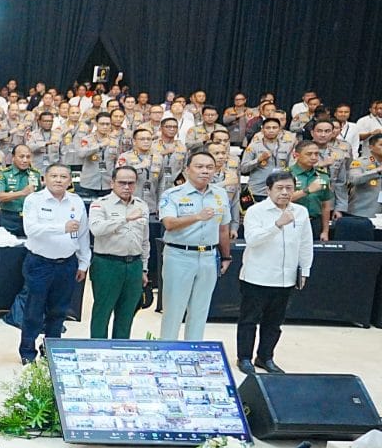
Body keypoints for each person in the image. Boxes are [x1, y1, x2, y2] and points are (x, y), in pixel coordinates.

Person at [236, 171, 313, 375]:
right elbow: (252, 240)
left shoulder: (301, 212)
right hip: (256, 277)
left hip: (286, 278)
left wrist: (304, 270)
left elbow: (305, 244)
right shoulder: (255, 211)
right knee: (249, 320)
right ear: (268, 190)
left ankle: (265, 357)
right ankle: (244, 358)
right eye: (279, 188)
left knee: (274, 323)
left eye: (289, 188)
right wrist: (277, 224)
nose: (285, 192)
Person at [18, 163, 91, 363]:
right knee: (34, 310)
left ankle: (51, 348)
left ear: (70, 181)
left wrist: (83, 263)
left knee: (59, 311)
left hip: (67, 264)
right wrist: (62, 228)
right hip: (39, 263)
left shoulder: (76, 201)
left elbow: (83, 234)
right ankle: (27, 351)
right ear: (45, 179)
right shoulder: (34, 200)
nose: (58, 180)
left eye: (63, 177)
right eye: (54, 176)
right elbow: (31, 229)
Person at [158, 149, 232, 341]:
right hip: (179, 255)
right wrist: (197, 217)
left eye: (209, 167)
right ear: (187, 170)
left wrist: (226, 256)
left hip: (208, 256)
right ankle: (167, 349)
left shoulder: (220, 194)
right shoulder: (172, 194)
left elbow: (223, 228)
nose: (205, 171)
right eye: (199, 167)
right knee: (174, 309)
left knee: (200, 309)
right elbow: (169, 223)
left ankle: (194, 349)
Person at [86, 166, 150, 339]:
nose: (127, 187)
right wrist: (126, 219)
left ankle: (120, 347)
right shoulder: (101, 204)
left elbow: (145, 241)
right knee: (102, 311)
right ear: (112, 183)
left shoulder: (141, 205)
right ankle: (98, 348)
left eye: (131, 183)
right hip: (107, 263)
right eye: (122, 183)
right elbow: (96, 229)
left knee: (127, 313)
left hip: (134, 264)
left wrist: (144, 268)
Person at [289, 140, 334, 241]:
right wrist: (307, 190)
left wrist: (325, 231)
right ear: (296, 155)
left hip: (314, 223)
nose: (314, 157)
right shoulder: (286, 175)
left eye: (316, 154)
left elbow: (326, 206)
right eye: (309, 154)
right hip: (291, 221)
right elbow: (279, 200)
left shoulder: (322, 176)